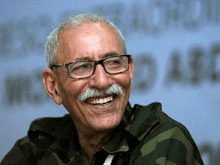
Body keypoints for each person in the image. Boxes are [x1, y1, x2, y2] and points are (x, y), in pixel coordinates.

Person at [1, 13, 204, 165]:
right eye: (81, 67)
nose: (102, 82)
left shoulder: (164, 138)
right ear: (53, 86)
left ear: (130, 71)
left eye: (114, 62)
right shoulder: (37, 149)